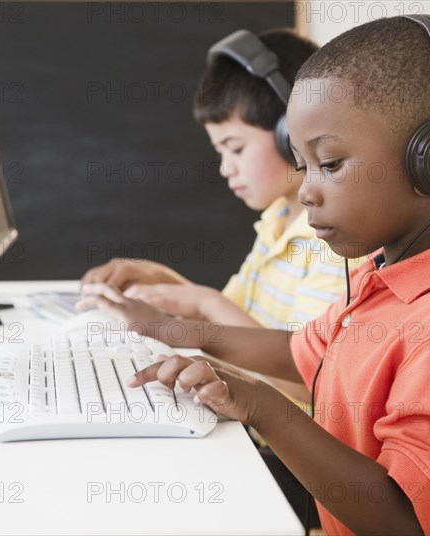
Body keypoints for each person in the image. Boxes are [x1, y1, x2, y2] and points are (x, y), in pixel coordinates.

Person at [80, 15, 430, 534]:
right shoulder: (380, 280)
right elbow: (298, 354)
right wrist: (178, 332)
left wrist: (259, 404)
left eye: (330, 164)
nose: (307, 190)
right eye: (302, 164)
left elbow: (402, 518)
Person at [82, 28, 361, 404]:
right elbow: (230, 324)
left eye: (236, 148)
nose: (225, 168)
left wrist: (204, 301)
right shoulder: (278, 218)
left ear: (292, 132)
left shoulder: (335, 243)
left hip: (279, 443)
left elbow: (311, 379)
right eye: (220, 152)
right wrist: (163, 281)